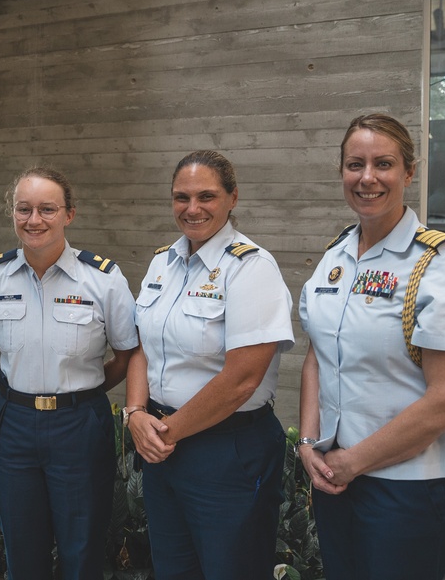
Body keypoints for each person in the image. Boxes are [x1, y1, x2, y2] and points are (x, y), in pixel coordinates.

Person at [298, 113, 445, 580]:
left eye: (383, 164)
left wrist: (352, 461)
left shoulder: (442, 263)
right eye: (354, 164)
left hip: (409, 486)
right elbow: (317, 356)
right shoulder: (335, 255)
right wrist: (307, 443)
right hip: (335, 476)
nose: (367, 178)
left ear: (409, 171)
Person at [126, 149, 294, 580]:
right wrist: (135, 413)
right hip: (164, 447)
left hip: (227, 450)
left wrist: (164, 432)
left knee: (230, 569)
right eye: (181, 197)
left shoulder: (251, 268)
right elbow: (143, 345)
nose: (192, 208)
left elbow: (242, 379)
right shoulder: (163, 262)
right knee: (174, 568)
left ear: (232, 198)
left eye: (206, 196)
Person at [0, 166, 140, 580]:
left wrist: (88, 391)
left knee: (82, 550)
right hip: (14, 423)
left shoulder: (103, 279)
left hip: (79, 424)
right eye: (23, 209)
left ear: (69, 214)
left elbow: (130, 354)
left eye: (47, 209)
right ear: (12, 213)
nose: (34, 220)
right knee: (22, 552)